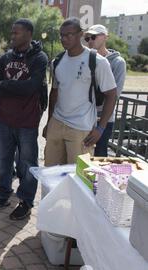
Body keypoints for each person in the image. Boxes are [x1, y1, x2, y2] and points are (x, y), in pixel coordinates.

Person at [0, 19, 48, 220]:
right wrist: (14, 87)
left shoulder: (39, 58)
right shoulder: (5, 58)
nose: (12, 36)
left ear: (29, 34)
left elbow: (32, 87)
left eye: (17, 33)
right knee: (4, 162)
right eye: (12, 33)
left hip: (27, 122)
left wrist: (5, 85)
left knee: (27, 164)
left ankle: (26, 201)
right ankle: (3, 194)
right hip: (4, 119)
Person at [43, 18, 117, 166]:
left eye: (69, 35)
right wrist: (49, 123)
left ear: (81, 35)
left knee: (79, 178)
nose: (64, 38)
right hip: (57, 124)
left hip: (81, 128)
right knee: (51, 173)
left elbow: (112, 95)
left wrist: (100, 128)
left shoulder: (97, 61)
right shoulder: (57, 61)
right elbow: (54, 94)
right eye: (62, 35)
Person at [84, 24, 127, 157]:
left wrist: (100, 126)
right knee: (82, 155)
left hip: (103, 118)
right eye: (87, 38)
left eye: (94, 37)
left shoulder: (118, 62)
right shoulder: (85, 58)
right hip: (84, 116)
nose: (90, 41)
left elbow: (114, 94)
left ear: (105, 37)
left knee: (99, 156)